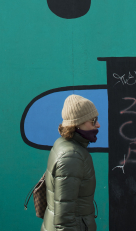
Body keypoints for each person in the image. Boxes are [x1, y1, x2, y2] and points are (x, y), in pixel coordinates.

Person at [41, 94, 100, 231]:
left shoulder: (63, 143)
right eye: (93, 120)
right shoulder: (72, 157)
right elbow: (64, 219)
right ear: (77, 122)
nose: (98, 124)